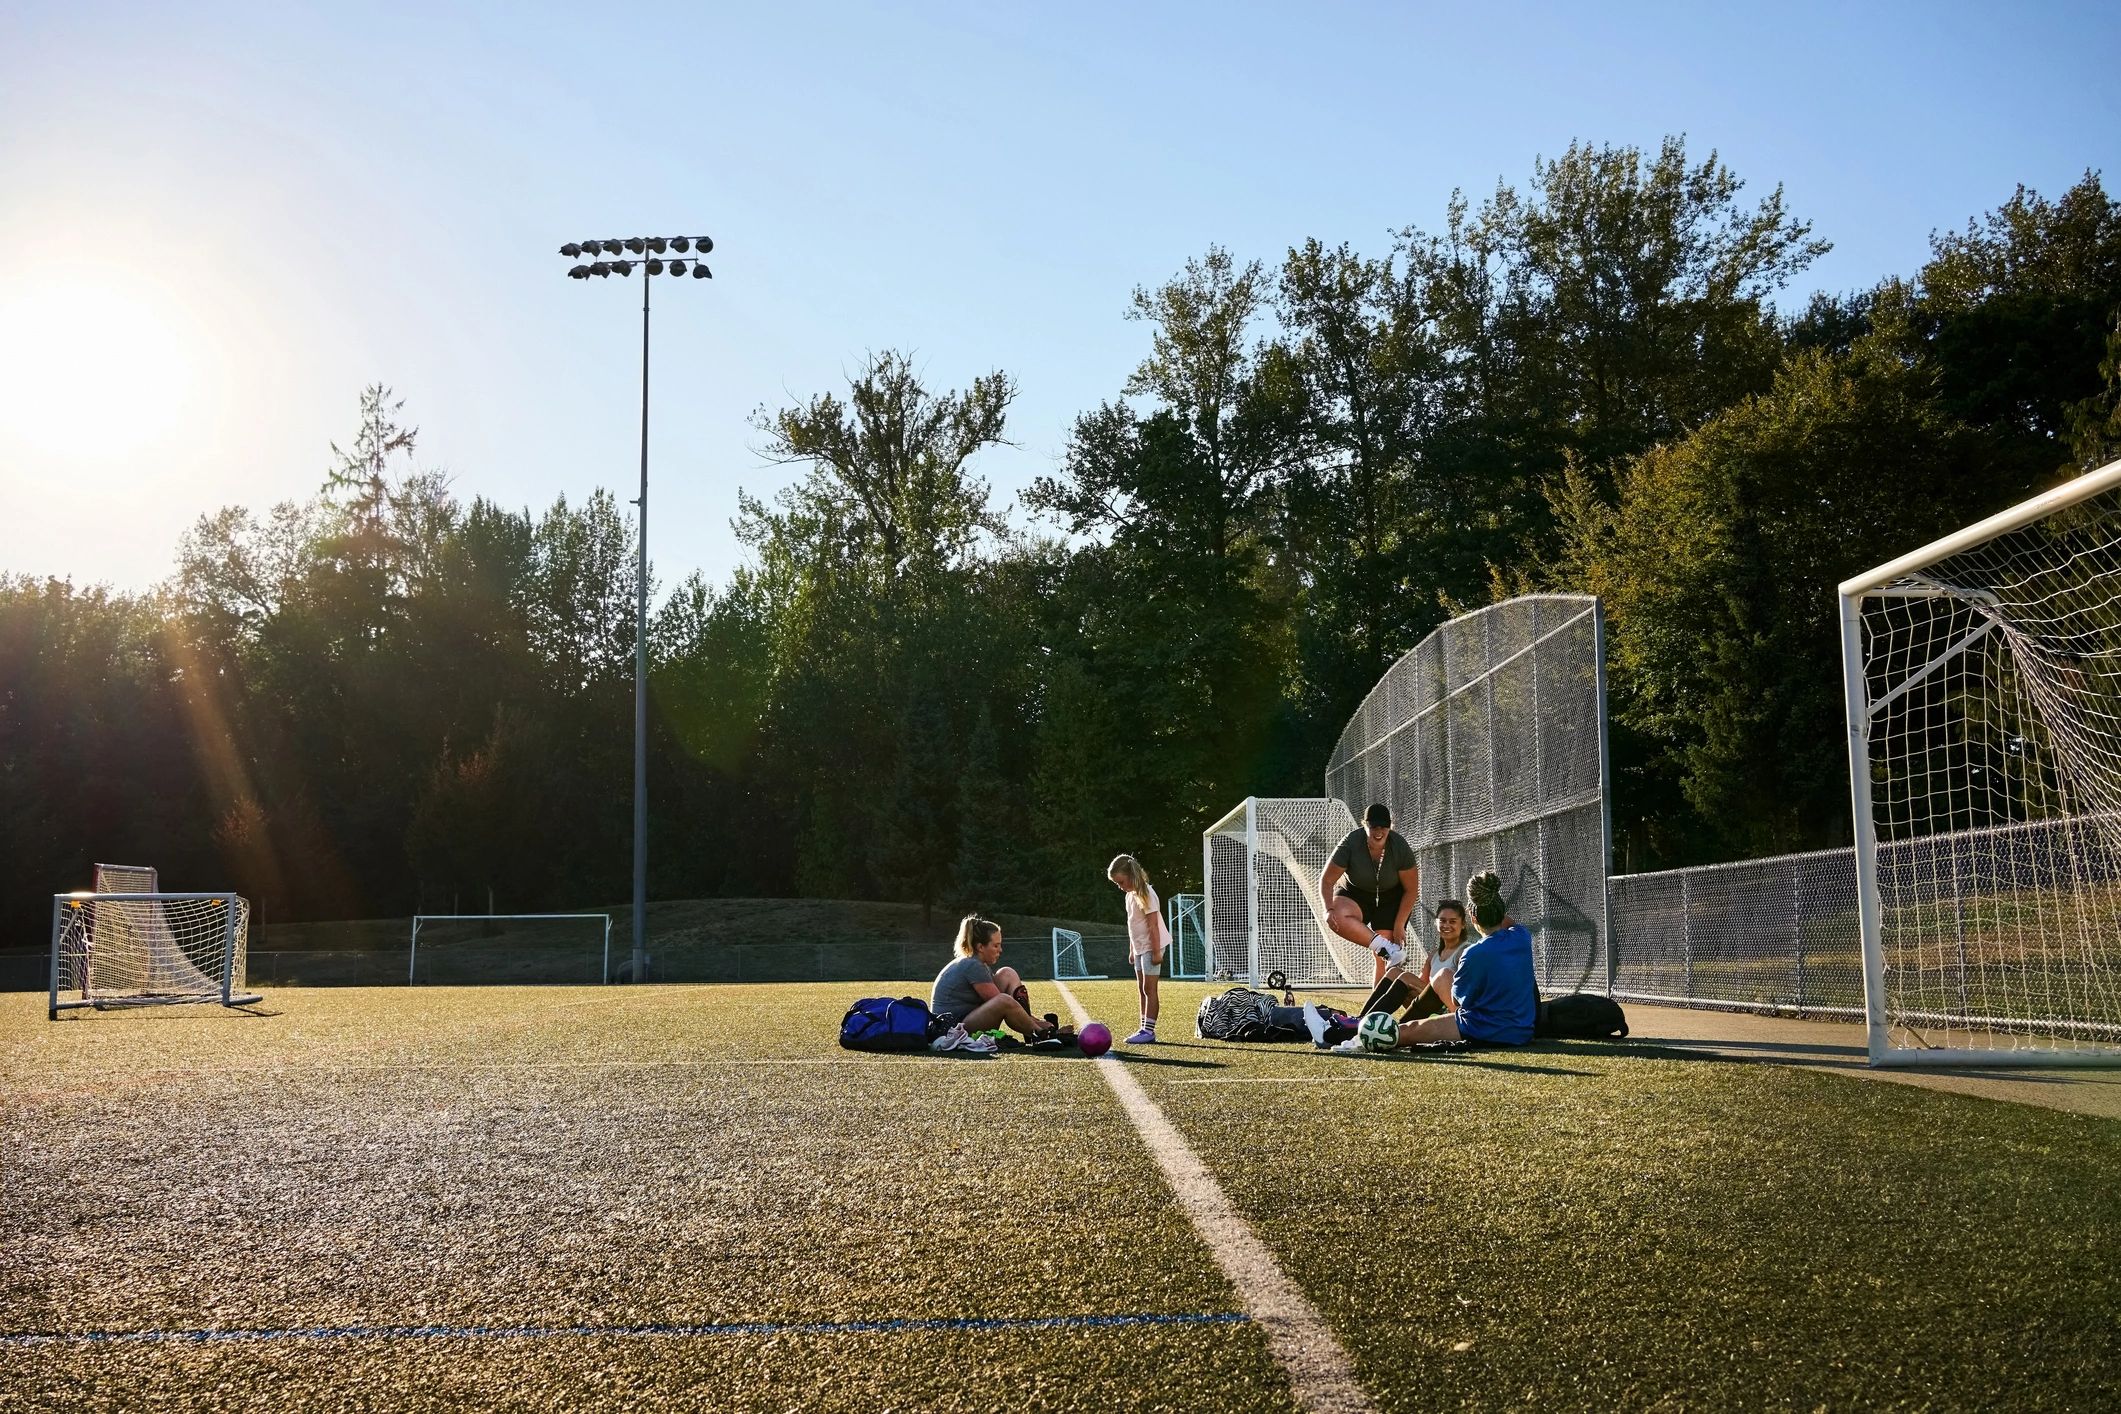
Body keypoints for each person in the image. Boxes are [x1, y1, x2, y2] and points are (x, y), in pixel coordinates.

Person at [1334, 872, 1536, 1052]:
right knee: (1420, 997)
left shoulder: (1473, 953)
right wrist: (1490, 901)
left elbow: (1458, 1003)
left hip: (1482, 1029)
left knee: (1405, 1031)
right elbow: (1506, 922)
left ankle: (1346, 1034)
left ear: (1471, 919)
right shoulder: (1521, 936)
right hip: (1521, 1032)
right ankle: (1356, 1026)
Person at [1320, 803, 1421, 984]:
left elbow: (1411, 889)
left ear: (1391, 825)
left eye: (1384, 826)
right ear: (1364, 824)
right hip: (1355, 893)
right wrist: (1328, 909)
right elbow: (1326, 881)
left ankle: (1378, 1010)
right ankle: (1384, 947)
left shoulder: (1399, 847)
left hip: (1392, 897)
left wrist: (1399, 925)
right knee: (1336, 916)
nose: (1379, 831)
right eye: (1373, 826)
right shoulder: (1350, 842)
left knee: (1383, 960)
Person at [930, 915, 1049, 1047]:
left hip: (963, 1020)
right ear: (981, 947)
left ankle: (1031, 1032)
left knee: (1007, 973)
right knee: (1003, 1000)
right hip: (951, 1030)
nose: (1000, 950)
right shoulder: (973, 965)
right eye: (996, 946)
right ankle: (1042, 1034)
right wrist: (1042, 1025)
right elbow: (1003, 1003)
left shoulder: (976, 962)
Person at [1352, 899, 1470, 1022]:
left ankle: (1376, 1024)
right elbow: (1420, 987)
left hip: (1451, 1008)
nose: (1446, 925)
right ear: (1436, 923)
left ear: (1463, 924)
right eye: (1442, 921)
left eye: (1453, 922)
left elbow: (1465, 991)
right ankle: (1361, 1019)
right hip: (1430, 1005)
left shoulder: (1465, 951)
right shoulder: (1434, 955)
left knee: (1406, 977)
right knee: (1394, 972)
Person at [1108, 853, 1166, 1045]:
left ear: (1131, 875)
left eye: (1121, 882)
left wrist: (1157, 952)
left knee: (1150, 988)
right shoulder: (1129, 896)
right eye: (1117, 884)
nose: (1120, 887)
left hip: (1152, 946)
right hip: (1140, 948)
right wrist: (1132, 949)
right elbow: (1132, 924)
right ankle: (1143, 1027)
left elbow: (1153, 925)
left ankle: (1148, 1031)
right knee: (1141, 989)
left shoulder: (1147, 893)